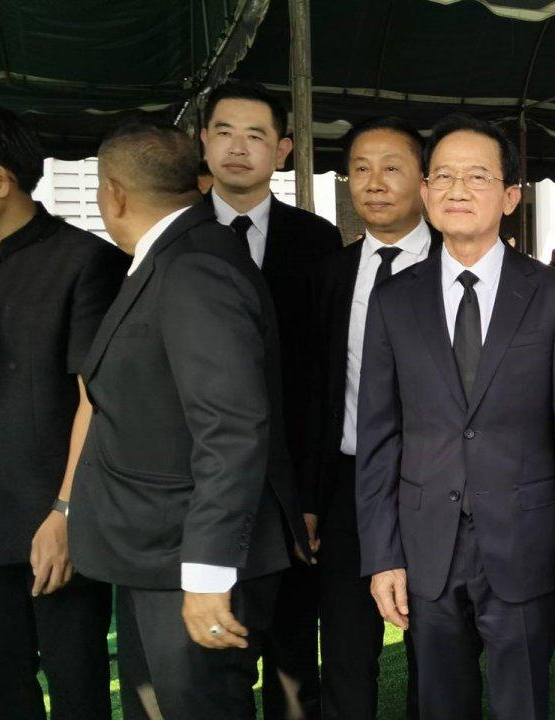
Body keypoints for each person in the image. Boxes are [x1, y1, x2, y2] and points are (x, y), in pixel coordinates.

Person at [355, 113, 555, 719]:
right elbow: (378, 436)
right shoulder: (394, 299)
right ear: (425, 191)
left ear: (510, 196)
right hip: (427, 544)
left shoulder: (553, 295)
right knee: (440, 702)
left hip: (525, 539)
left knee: (523, 702)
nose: (458, 190)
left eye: (477, 177)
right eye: (443, 176)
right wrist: (382, 554)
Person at [68, 122, 307, 720]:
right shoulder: (174, 255)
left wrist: (207, 574)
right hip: (156, 552)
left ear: (113, 193)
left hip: (193, 560)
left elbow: (232, 427)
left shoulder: (195, 266)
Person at [0, 104, 125, 720]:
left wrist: (66, 512)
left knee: (76, 681)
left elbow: (97, 399)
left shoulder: (85, 261)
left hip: (54, 516)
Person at [200, 79, 341, 720]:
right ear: (203, 141)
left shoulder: (316, 242)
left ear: (283, 150)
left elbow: (323, 379)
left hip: (292, 498)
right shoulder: (173, 236)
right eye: (225, 132)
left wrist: (308, 495)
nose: (238, 147)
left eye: (255, 135)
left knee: (293, 662)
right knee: (211, 670)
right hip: (200, 491)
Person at [312, 115, 435, 720]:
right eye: (360, 169)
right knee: (345, 642)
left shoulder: (458, 266)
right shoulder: (332, 272)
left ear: (424, 180)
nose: (374, 183)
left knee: (435, 645)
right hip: (348, 482)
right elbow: (313, 391)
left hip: (436, 484)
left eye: (392, 168)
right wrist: (311, 496)